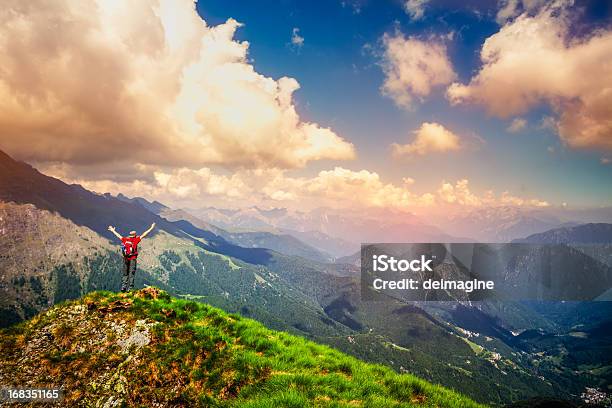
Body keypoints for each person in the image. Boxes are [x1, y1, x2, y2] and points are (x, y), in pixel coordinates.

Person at [107, 223, 155, 292]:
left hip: (126, 259)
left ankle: (123, 286)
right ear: (135, 235)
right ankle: (130, 288)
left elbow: (118, 236)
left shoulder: (125, 240)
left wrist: (113, 230)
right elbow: (144, 234)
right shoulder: (136, 240)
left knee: (125, 273)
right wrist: (151, 228)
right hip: (133, 259)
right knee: (131, 273)